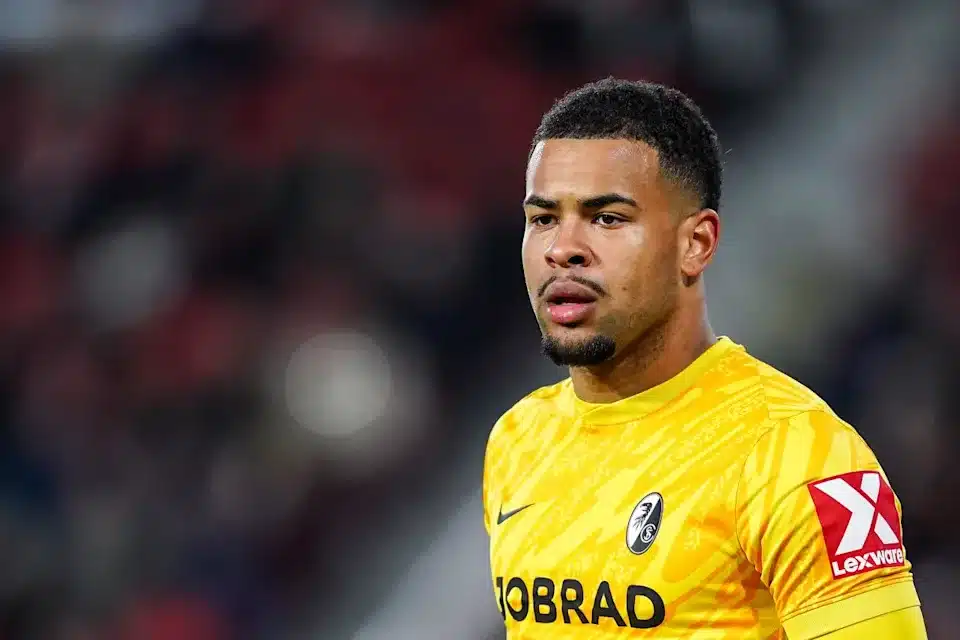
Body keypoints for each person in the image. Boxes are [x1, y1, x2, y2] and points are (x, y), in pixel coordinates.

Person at [482, 78, 927, 639]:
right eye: (543, 218)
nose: (561, 249)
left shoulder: (799, 454)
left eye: (608, 218)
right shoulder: (518, 439)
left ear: (696, 244)